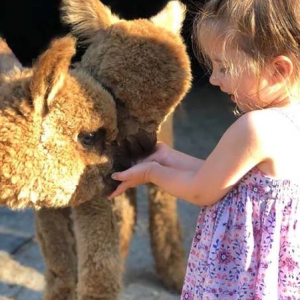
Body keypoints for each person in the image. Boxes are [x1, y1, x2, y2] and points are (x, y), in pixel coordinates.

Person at [109, 0, 300, 298]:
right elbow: (233, 182)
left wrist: (152, 172)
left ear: (278, 69)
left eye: (224, 67)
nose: (213, 79)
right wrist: (170, 157)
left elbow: (202, 190)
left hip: (240, 276)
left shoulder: (256, 128)